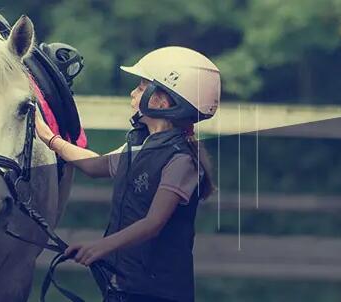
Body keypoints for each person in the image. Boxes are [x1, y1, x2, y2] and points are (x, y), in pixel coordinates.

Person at [34, 46, 220, 302]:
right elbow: (94, 165)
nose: (133, 93)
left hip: (157, 292)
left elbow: (153, 223)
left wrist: (99, 247)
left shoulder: (181, 161)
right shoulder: (138, 147)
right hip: (125, 284)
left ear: (163, 101)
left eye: (141, 87)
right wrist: (49, 138)